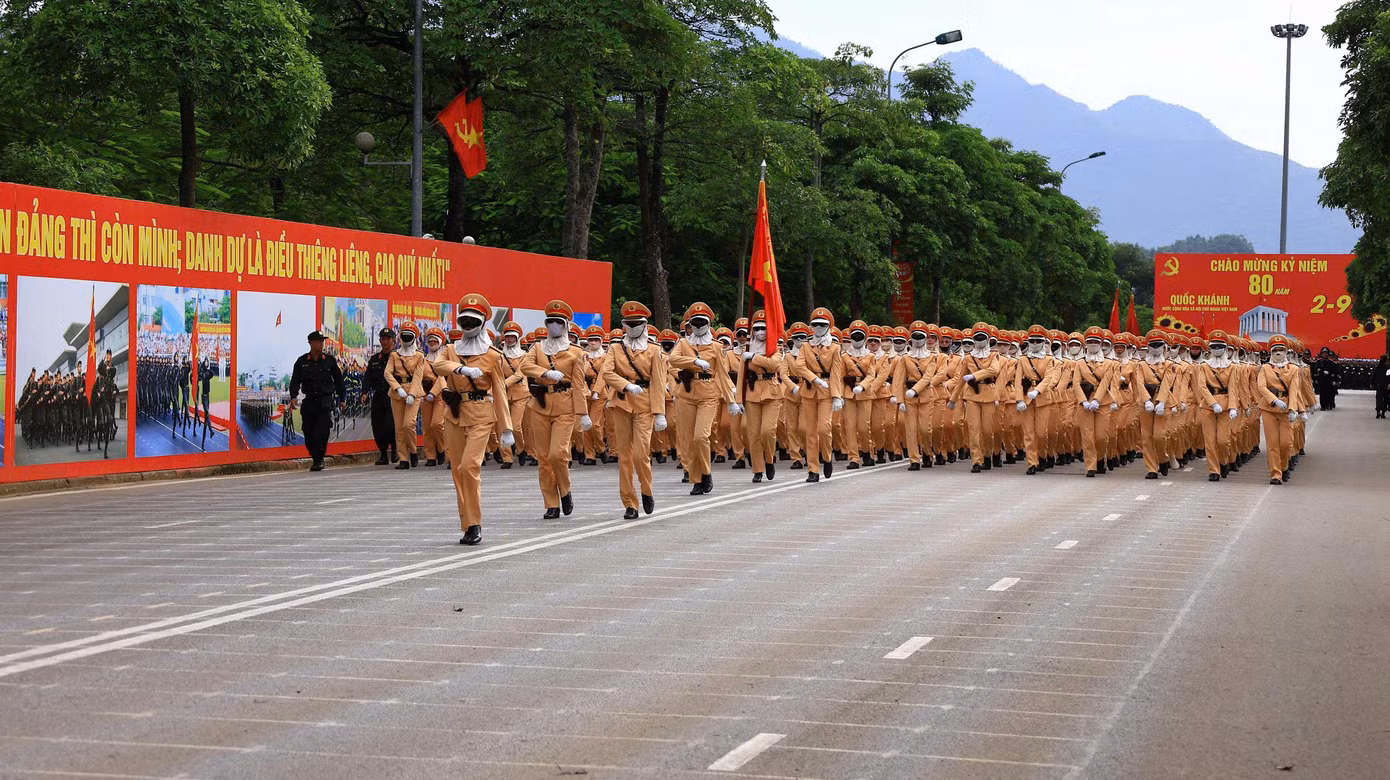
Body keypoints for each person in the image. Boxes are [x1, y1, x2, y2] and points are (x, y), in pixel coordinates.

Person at [430, 294, 515, 545]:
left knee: (469, 467)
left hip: (480, 414)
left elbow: (499, 390)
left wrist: (506, 427)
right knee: (457, 471)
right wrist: (461, 369)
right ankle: (467, 523)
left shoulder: (492, 355)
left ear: (481, 323)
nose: (467, 326)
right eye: (463, 321)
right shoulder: (450, 350)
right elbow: (438, 366)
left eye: (472, 321)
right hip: (455, 414)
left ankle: (475, 523)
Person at [519, 300, 592, 519]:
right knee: (543, 458)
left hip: (565, 405)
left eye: (558, 323)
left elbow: (579, 384)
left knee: (557, 454)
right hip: (540, 405)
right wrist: (545, 373)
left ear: (566, 326)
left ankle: (566, 489)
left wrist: (584, 413)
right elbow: (525, 366)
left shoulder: (575, 352)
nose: (553, 327)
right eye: (550, 322)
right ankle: (551, 503)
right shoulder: (538, 347)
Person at [600, 300, 668, 518]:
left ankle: (646, 490)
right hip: (621, 402)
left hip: (645, 404)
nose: (632, 327)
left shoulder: (654, 350)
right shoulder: (615, 348)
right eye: (628, 323)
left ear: (644, 324)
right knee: (624, 456)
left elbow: (658, 382)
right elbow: (607, 373)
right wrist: (625, 385)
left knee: (640, 454)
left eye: (636, 323)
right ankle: (630, 503)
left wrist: (660, 413)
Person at [667, 302, 740, 495]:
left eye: (702, 322)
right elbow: (672, 359)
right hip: (686, 393)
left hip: (708, 393)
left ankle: (706, 472)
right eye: (695, 322)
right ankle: (696, 479)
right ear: (690, 324)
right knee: (688, 439)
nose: (698, 326)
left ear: (708, 324)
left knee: (701, 436)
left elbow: (723, 375)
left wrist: (731, 400)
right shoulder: (683, 343)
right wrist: (693, 361)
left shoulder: (716, 347)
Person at [288, 331, 346, 471]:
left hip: (325, 401)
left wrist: (342, 398)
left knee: (322, 431)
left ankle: (319, 459)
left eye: (322, 341)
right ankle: (315, 456)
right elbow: (295, 381)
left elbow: (339, 380)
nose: (321, 343)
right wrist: (294, 397)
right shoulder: (302, 362)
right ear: (311, 343)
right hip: (309, 402)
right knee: (308, 432)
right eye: (319, 341)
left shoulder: (329, 360)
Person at [386, 322, 427, 469]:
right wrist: (397, 388)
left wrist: (412, 393)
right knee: (399, 427)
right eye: (404, 335)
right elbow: (387, 373)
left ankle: (414, 451)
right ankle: (403, 458)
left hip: (413, 393)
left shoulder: (419, 356)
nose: (406, 338)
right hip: (397, 394)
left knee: (409, 424)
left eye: (409, 336)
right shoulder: (394, 355)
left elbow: (418, 376)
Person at [365, 328, 397, 465]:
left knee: (391, 425)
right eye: (383, 339)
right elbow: (367, 378)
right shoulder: (374, 360)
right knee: (377, 426)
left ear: (393, 341)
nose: (385, 342)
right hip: (379, 397)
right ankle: (383, 454)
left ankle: (395, 450)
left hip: (394, 397)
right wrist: (364, 392)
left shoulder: (398, 358)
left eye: (388, 339)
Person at [1374, 354, 1390, 419]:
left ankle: (1378, 412)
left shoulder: (1377, 367)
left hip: (1379, 385)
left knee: (1379, 399)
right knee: (1385, 400)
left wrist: (1372, 383)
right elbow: (1389, 377)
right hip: (1385, 386)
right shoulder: (1388, 368)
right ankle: (1383, 413)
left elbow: (1374, 375)